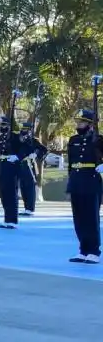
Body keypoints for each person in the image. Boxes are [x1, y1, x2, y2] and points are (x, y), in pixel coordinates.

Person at [66, 109, 103, 264]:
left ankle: (94, 250)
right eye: (78, 122)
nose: (78, 124)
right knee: (79, 218)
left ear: (90, 125)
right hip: (76, 180)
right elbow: (70, 163)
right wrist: (71, 181)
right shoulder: (73, 140)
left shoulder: (98, 139)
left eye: (82, 122)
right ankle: (83, 249)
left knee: (91, 217)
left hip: (91, 180)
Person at [0, 115, 34, 229]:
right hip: (3, 166)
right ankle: (7, 219)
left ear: (9, 126)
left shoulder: (15, 137)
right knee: (4, 194)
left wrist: (17, 156)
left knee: (11, 194)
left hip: (12, 167)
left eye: (4, 125)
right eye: (1, 125)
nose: (1, 127)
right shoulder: (1, 138)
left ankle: (12, 220)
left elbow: (27, 148)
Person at [16, 121, 47, 217]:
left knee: (30, 188)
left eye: (26, 129)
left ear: (30, 130)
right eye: (23, 129)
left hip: (30, 166)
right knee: (23, 187)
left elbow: (44, 150)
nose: (23, 130)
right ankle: (26, 208)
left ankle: (30, 208)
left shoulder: (34, 141)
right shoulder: (18, 140)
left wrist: (36, 154)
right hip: (20, 166)